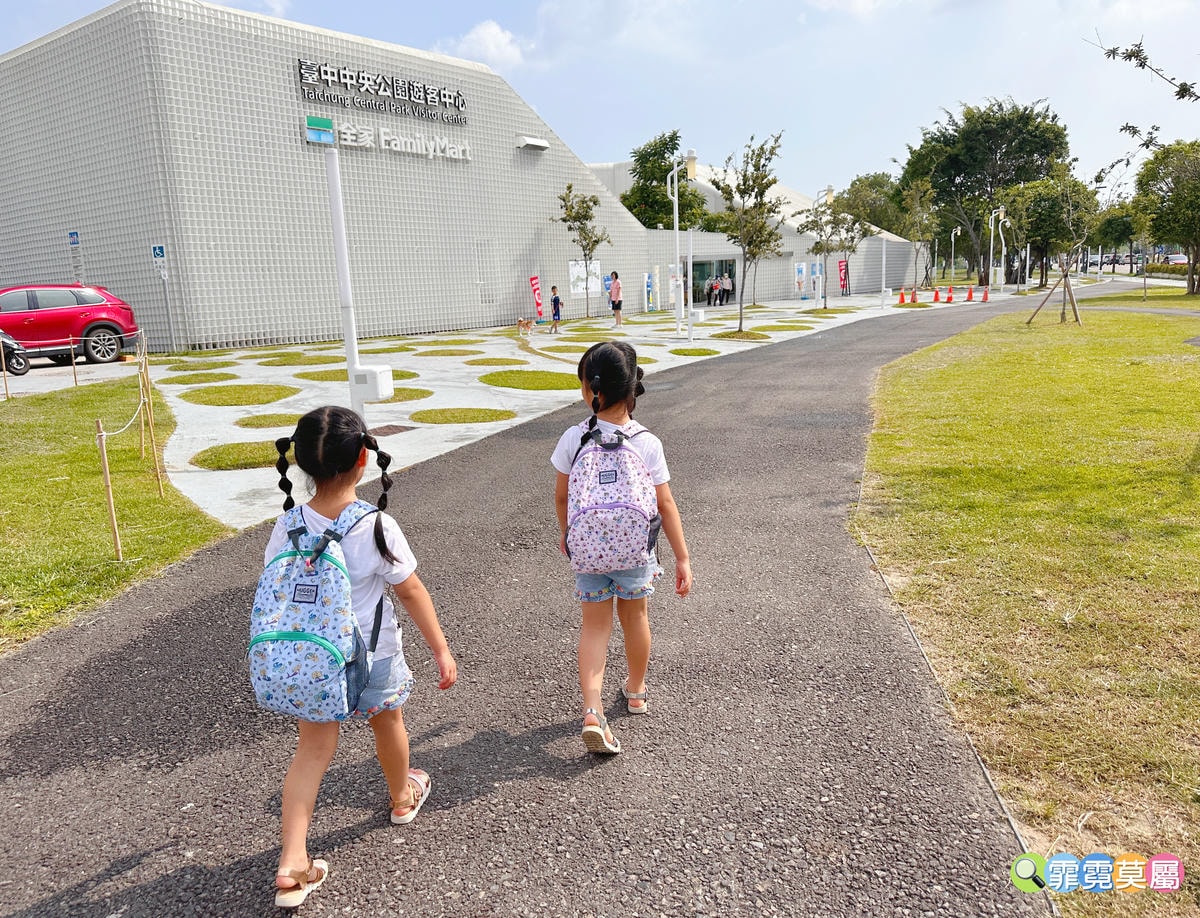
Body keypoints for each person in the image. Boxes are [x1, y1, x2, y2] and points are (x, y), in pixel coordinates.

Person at [268, 406, 457, 909]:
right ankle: (401, 797)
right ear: (363, 460)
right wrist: (440, 648)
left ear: (304, 463)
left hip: (312, 661)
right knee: (388, 719)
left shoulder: (286, 526)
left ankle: (292, 861)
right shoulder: (375, 526)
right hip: (372, 654)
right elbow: (411, 591)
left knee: (310, 753)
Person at [551, 342, 692, 755]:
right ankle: (635, 690)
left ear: (587, 388)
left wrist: (568, 535)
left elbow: (562, 498)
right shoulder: (646, 442)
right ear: (632, 388)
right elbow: (664, 505)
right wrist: (681, 556)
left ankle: (592, 710)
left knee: (595, 626)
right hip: (635, 552)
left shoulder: (573, 438)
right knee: (635, 618)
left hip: (589, 550)